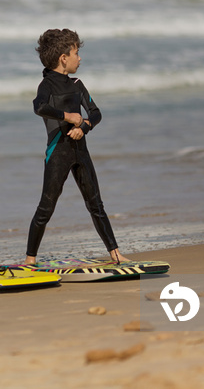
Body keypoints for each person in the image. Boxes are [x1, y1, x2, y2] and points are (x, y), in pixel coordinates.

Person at [24, 28, 128, 265]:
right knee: (46, 208)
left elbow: (95, 113)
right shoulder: (46, 86)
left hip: (81, 151)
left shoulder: (78, 84)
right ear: (64, 58)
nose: (79, 58)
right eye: (76, 53)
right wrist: (68, 116)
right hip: (57, 152)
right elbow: (38, 107)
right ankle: (30, 260)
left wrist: (85, 127)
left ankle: (116, 254)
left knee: (96, 204)